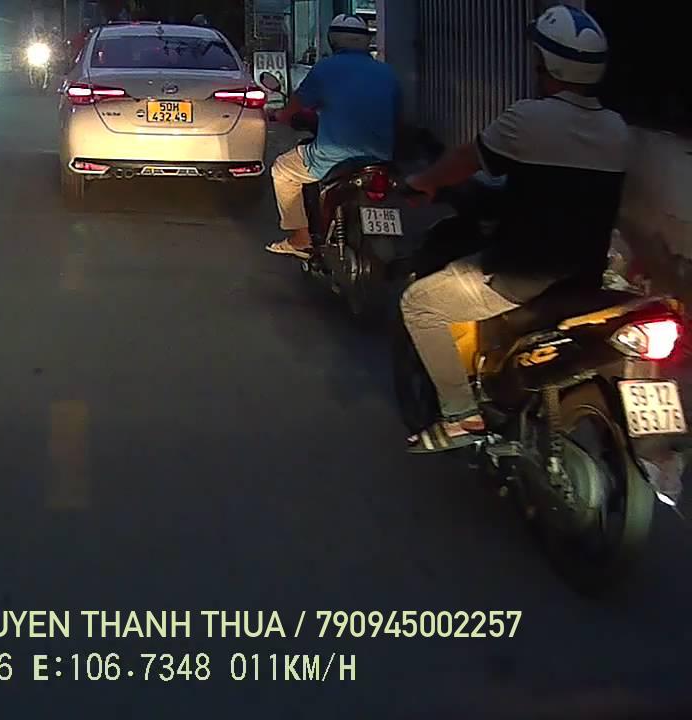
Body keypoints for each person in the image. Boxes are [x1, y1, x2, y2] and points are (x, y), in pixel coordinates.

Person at [400, 4, 627, 453]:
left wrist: (423, 182)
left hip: (520, 278)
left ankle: (461, 416)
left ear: (548, 64)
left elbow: (464, 161)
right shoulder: (615, 128)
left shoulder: (528, 118)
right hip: (584, 276)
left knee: (419, 304)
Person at [265, 14, 400, 258]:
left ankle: (300, 238)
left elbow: (295, 107)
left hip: (334, 156)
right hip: (381, 156)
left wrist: (279, 114)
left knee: (282, 170)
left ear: (333, 39)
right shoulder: (387, 72)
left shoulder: (325, 68)